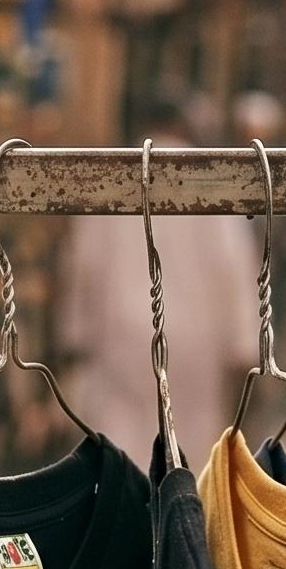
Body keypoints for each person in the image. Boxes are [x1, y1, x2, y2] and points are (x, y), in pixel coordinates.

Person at [55, 102, 260, 454]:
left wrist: (74, 337)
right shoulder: (210, 181)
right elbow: (233, 266)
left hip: (122, 336)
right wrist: (245, 346)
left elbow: (83, 264)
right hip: (197, 344)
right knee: (189, 451)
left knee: (121, 447)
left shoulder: (115, 179)